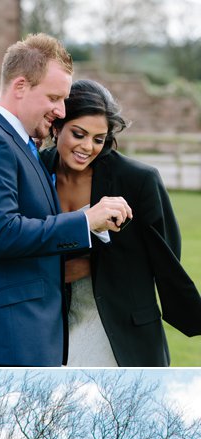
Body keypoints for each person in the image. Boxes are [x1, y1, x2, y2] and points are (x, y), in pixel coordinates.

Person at [0, 33, 132, 367]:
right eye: (54, 97)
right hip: (7, 334)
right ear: (20, 86)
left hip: (31, 331)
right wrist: (85, 221)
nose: (61, 110)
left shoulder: (21, 144)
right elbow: (3, 235)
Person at [39, 79, 201, 367]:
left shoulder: (138, 180)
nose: (87, 147)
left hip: (122, 322)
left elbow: (166, 255)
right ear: (57, 126)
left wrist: (93, 264)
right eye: (79, 134)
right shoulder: (35, 171)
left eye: (99, 139)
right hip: (51, 321)